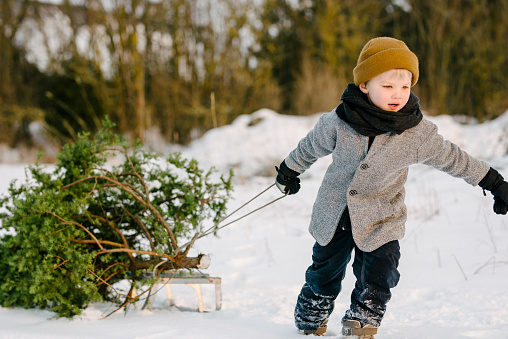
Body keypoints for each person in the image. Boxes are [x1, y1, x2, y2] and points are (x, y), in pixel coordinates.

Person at [274, 37, 508, 338]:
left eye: (405, 87)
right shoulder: (338, 121)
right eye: (387, 86)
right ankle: (312, 314)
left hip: (382, 216)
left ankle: (362, 319)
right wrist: (288, 171)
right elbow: (309, 148)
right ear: (364, 85)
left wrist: (495, 183)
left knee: (380, 273)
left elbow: (455, 158)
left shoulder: (416, 132)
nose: (397, 94)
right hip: (334, 213)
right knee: (325, 271)